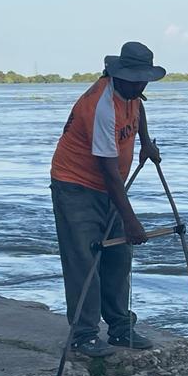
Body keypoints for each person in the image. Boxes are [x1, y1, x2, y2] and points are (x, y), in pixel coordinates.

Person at [50, 41, 164, 357]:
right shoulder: (100, 107)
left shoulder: (131, 93)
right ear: (118, 74)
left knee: (119, 256)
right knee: (85, 260)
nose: (141, 85)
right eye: (136, 79)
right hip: (76, 186)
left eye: (145, 79)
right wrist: (131, 220)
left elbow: (139, 107)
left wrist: (144, 142)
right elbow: (109, 172)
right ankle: (84, 335)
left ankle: (119, 327)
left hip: (109, 186)